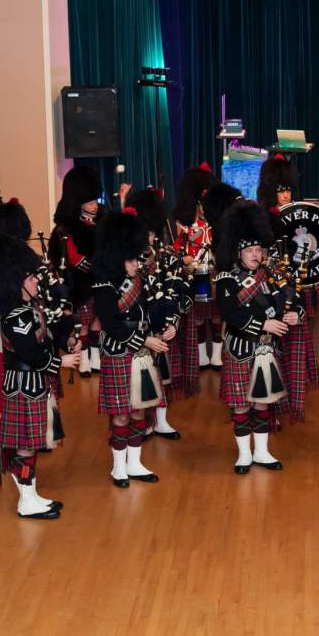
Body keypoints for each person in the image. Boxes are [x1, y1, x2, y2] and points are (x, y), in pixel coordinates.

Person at [0, 234, 79, 519]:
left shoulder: (29, 309)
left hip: (34, 383)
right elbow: (30, 353)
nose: (36, 280)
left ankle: (31, 494)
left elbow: (44, 341)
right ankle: (26, 501)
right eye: (30, 277)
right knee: (26, 444)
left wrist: (66, 342)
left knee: (32, 442)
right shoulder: (15, 316)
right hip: (25, 384)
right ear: (16, 281)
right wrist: (61, 361)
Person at [215, 200, 296, 474]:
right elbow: (230, 313)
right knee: (240, 404)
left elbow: (286, 299)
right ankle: (243, 454)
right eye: (250, 250)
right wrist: (264, 324)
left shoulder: (270, 274)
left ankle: (261, 452)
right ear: (238, 251)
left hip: (266, 349)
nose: (255, 254)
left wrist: (292, 313)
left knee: (262, 401)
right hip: (240, 346)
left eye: (259, 249)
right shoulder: (227, 279)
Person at [93, 211, 171, 487]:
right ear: (118, 257)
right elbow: (112, 325)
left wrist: (165, 327)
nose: (137, 264)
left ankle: (135, 463)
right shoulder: (103, 286)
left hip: (140, 352)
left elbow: (151, 311)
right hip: (117, 352)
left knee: (140, 410)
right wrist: (145, 341)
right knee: (122, 412)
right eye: (131, 259)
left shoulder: (142, 279)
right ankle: (118, 467)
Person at [258, 154, 319, 423]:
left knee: (293, 353)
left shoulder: (298, 215)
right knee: (271, 352)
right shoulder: (261, 218)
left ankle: (294, 403)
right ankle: (275, 406)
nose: (285, 195)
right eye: (281, 190)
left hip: (295, 288)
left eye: (288, 190)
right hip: (269, 292)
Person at [128, 186, 192, 440]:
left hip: (164, 329)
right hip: (140, 331)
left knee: (163, 375)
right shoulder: (130, 263)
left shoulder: (167, 257)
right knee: (142, 378)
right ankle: (142, 422)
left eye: (153, 233)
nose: (151, 238)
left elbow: (182, 291)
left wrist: (174, 321)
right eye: (147, 233)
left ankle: (161, 421)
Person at [49, 165, 102, 376]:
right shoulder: (66, 230)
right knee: (84, 325)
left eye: (95, 201)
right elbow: (77, 260)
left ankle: (96, 359)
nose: (95, 206)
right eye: (89, 202)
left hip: (98, 283)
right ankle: (84, 361)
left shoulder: (98, 224)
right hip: (79, 286)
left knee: (98, 321)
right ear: (78, 203)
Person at [173, 163, 223, 370]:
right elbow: (178, 247)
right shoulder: (186, 225)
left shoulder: (219, 223)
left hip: (216, 273)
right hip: (196, 275)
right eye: (201, 204)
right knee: (200, 318)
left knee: (217, 316)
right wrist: (183, 256)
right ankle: (203, 357)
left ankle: (217, 357)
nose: (204, 208)